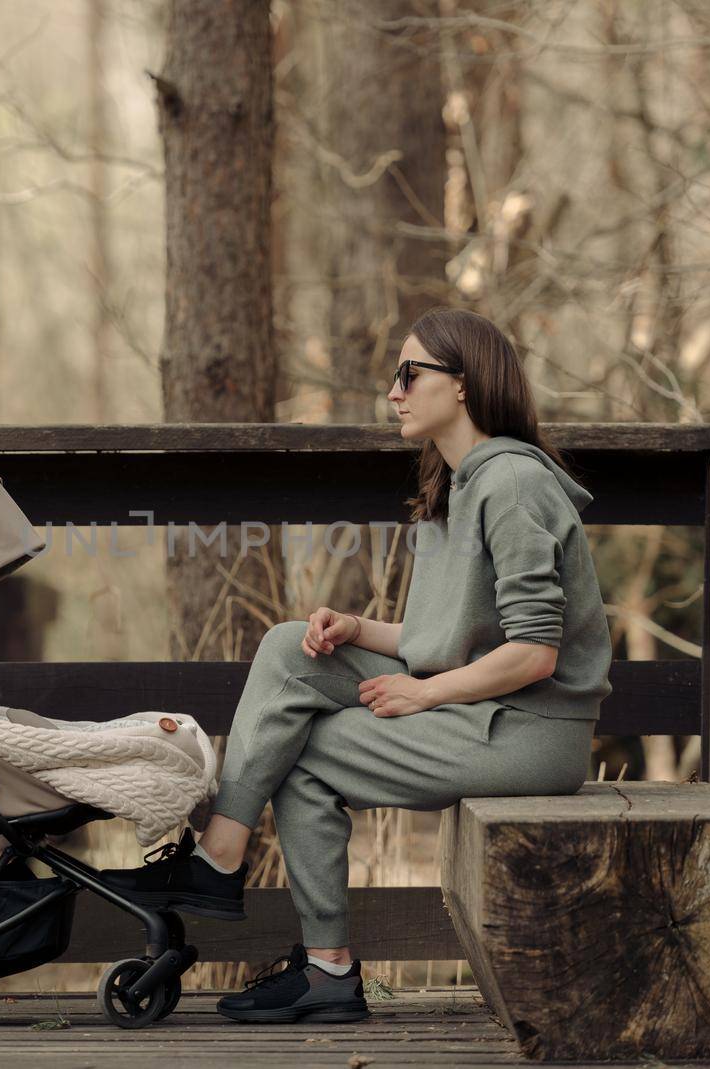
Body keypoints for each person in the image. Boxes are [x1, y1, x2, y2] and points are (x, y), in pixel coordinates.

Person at [101, 307, 614, 1024]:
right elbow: (444, 635)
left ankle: (323, 963)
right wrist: (357, 627)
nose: (394, 391)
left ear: (462, 385)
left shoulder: (511, 485)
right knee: (289, 644)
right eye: (393, 377)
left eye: (410, 373)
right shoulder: (462, 484)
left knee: (306, 757)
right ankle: (232, 864)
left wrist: (426, 694)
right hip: (487, 707)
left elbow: (535, 652)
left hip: (530, 730)